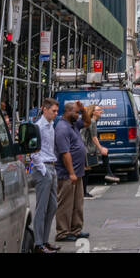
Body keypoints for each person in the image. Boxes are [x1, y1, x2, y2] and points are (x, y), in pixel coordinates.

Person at [54, 101, 89, 243]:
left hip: (77, 172)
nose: (78, 115)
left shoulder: (73, 124)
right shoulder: (62, 128)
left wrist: (84, 109)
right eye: (76, 112)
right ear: (68, 112)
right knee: (65, 204)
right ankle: (62, 232)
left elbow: (87, 122)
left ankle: (76, 229)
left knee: (77, 204)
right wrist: (71, 173)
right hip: (67, 173)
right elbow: (65, 153)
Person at [29, 99, 60, 254]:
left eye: (56, 111)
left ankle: (45, 241)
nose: (56, 114)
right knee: (41, 207)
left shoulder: (51, 125)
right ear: (44, 109)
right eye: (53, 111)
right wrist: (42, 169)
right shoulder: (38, 127)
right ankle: (38, 243)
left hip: (51, 167)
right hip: (44, 169)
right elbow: (33, 151)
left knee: (53, 205)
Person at [81, 103, 119, 192]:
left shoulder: (92, 121)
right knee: (86, 169)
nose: (101, 111)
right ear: (93, 112)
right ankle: (108, 173)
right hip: (86, 148)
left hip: (87, 147)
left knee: (87, 169)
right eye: (98, 110)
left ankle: (109, 173)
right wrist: (100, 149)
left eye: (101, 110)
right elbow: (94, 137)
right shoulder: (92, 121)